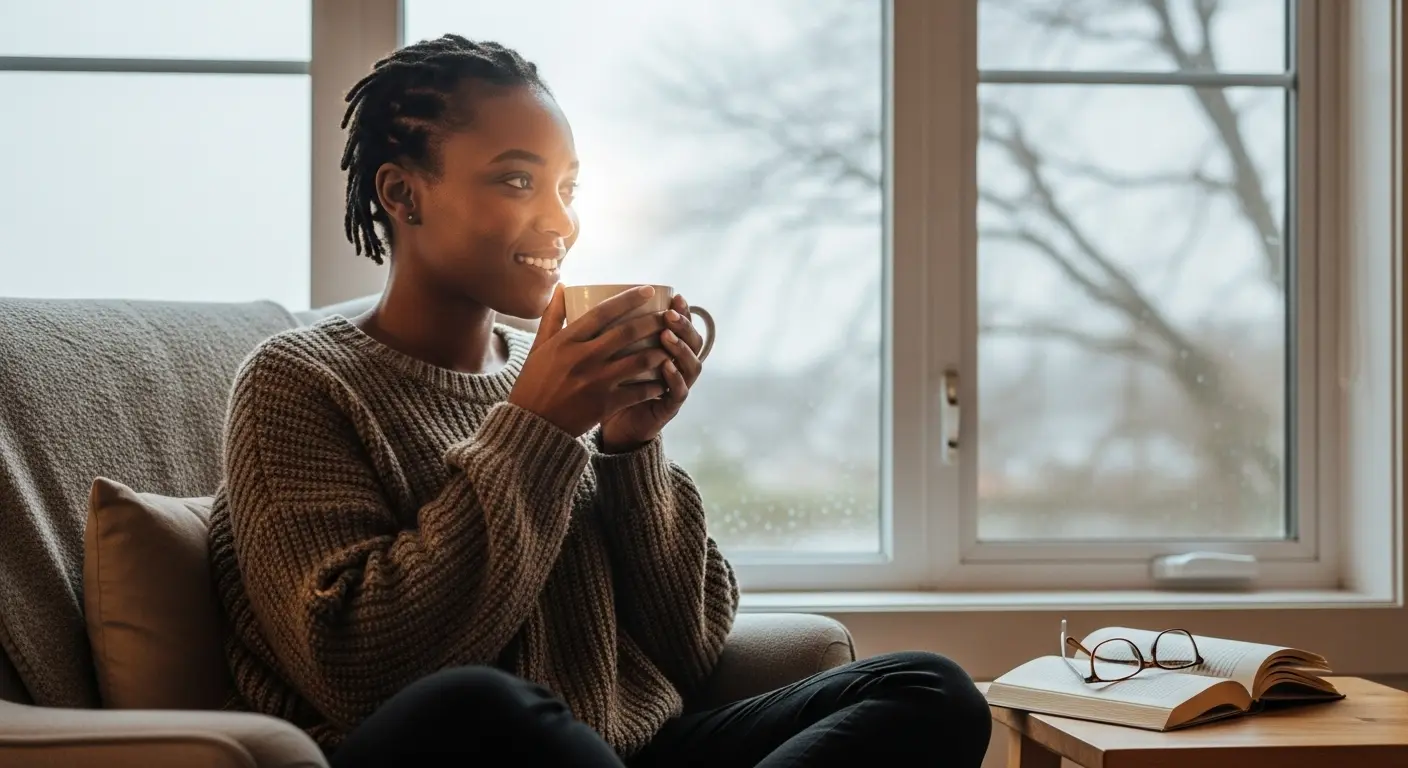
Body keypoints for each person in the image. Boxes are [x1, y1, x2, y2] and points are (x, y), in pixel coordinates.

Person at [208, 33, 991, 768]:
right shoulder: (299, 383)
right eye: (518, 180)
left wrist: (630, 450)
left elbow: (689, 651)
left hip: (626, 752)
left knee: (930, 690)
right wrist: (537, 427)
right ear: (403, 194)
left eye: (568, 187)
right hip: (462, 751)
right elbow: (360, 670)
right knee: (486, 704)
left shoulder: (556, 376)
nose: (561, 220)